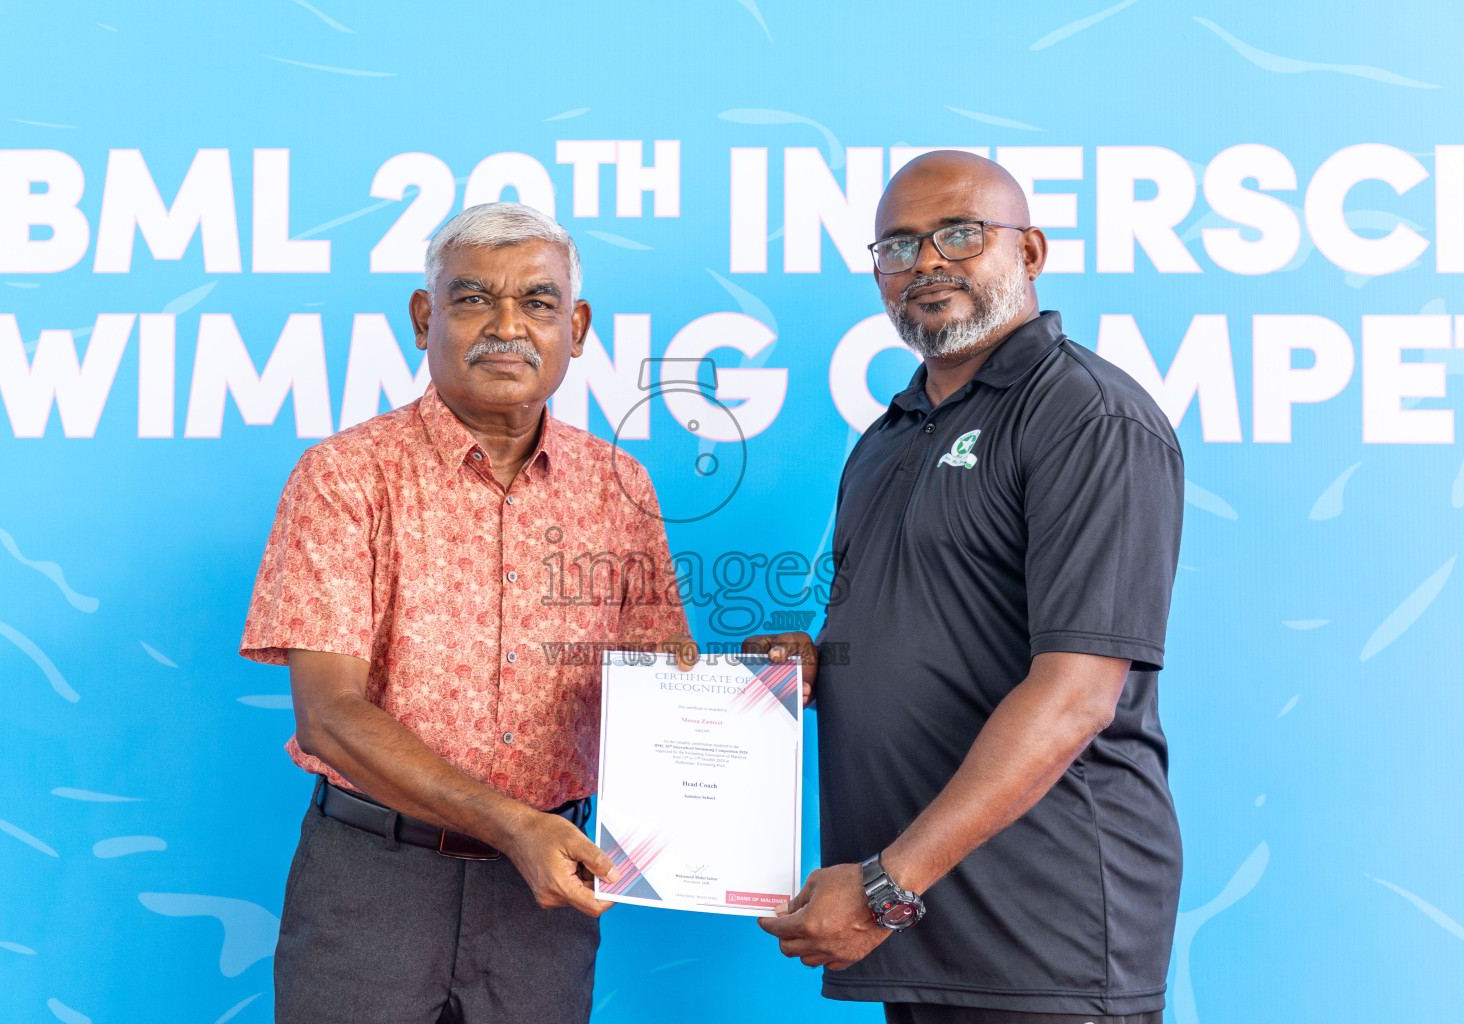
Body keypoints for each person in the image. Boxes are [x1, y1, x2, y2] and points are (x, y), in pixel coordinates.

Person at [748, 151, 1186, 1024]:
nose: (926, 264)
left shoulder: (1088, 418)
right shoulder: (888, 435)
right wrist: (815, 667)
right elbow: (936, 636)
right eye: (899, 247)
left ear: (1029, 252)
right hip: (923, 929)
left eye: (958, 235)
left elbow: (1074, 699)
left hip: (1041, 931)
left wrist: (882, 887)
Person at [240, 202, 690, 1024]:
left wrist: (764, 691)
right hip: (371, 881)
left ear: (579, 327)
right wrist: (511, 825)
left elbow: (663, 694)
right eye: (474, 298)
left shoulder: (621, 489)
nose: (507, 326)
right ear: (425, 317)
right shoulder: (344, 477)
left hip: (544, 897)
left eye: (538, 302)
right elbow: (329, 718)